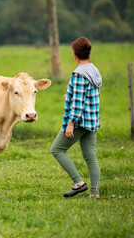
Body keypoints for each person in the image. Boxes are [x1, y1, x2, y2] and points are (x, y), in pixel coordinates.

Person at [51, 37, 102, 199]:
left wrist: (71, 123)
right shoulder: (94, 70)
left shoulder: (79, 74)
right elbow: (85, 97)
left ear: (74, 54)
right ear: (88, 52)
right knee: (90, 156)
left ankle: (78, 183)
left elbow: (79, 103)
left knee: (57, 150)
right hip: (91, 120)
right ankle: (94, 193)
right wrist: (70, 94)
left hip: (79, 121)